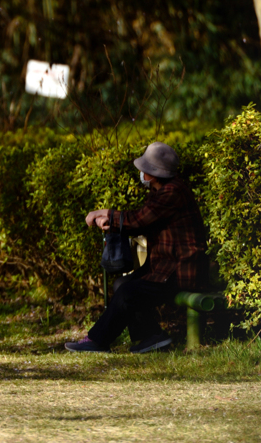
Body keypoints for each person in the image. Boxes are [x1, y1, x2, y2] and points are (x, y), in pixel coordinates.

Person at [65, 141, 207, 354]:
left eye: (145, 169)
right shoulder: (162, 191)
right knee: (122, 284)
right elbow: (141, 220)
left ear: (154, 173)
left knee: (128, 292)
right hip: (164, 267)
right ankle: (151, 337)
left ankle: (98, 341)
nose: (141, 172)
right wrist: (111, 221)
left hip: (180, 271)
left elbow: (138, 220)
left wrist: (103, 214)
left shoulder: (173, 193)